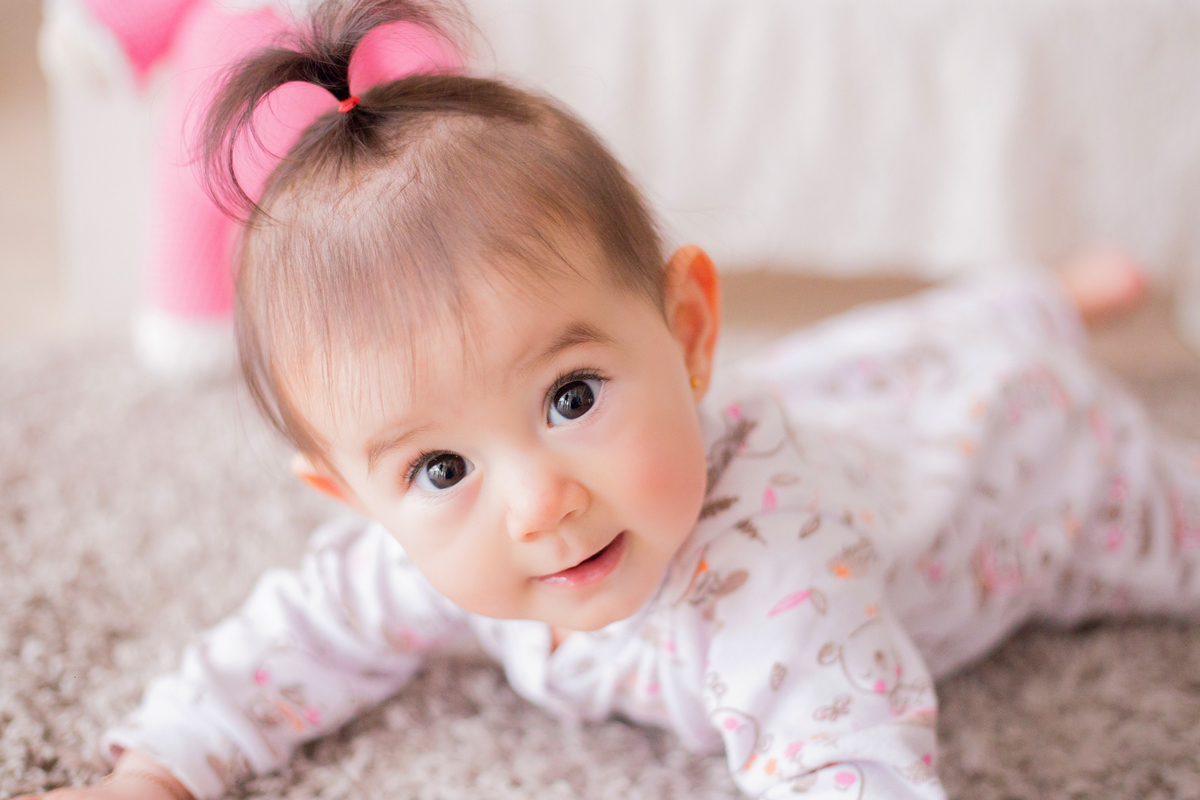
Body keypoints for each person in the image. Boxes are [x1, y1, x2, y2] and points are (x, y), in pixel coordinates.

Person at [23, 1, 1199, 798]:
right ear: (358, 498)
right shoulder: (436, 554)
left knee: (975, 401)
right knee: (854, 367)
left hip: (1023, 459)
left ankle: (1034, 311)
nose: (540, 501)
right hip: (843, 404)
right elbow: (288, 643)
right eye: (440, 469)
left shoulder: (782, 583)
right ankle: (1040, 293)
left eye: (571, 394)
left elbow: (853, 756)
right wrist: (157, 768)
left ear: (689, 326)